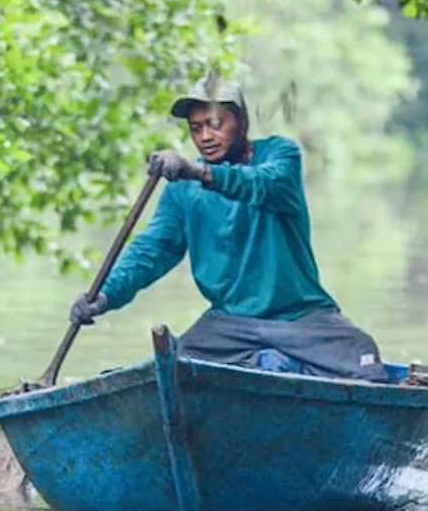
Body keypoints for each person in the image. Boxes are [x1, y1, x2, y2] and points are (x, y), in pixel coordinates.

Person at [67, 74, 389, 383]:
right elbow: (151, 251)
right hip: (229, 324)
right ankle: (260, 368)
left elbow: (262, 184)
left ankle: (280, 367)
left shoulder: (280, 155)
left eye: (215, 125)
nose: (205, 137)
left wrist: (198, 172)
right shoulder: (182, 189)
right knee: (175, 371)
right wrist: (106, 294)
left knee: (365, 360)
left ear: (241, 123)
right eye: (196, 128)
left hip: (299, 317)